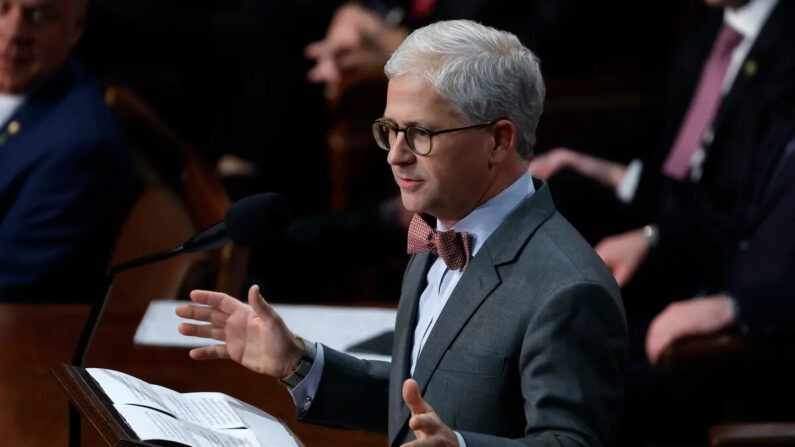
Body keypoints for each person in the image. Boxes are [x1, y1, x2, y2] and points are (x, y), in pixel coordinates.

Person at [177, 20, 627, 447]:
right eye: (389, 130)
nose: (395, 156)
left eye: (419, 133)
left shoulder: (570, 290)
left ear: (498, 141)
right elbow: (419, 403)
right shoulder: (436, 234)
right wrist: (298, 363)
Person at [529, 0, 791, 245]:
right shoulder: (709, 26)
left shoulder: (783, 48)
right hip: (657, 202)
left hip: (707, 237)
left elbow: (737, 199)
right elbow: (655, 120)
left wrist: (629, 187)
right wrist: (571, 156)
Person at [0, 0, 135, 302]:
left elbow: (8, 284)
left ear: (74, 28)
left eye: (37, 16)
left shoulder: (82, 149)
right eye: (1, 9)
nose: (12, 32)